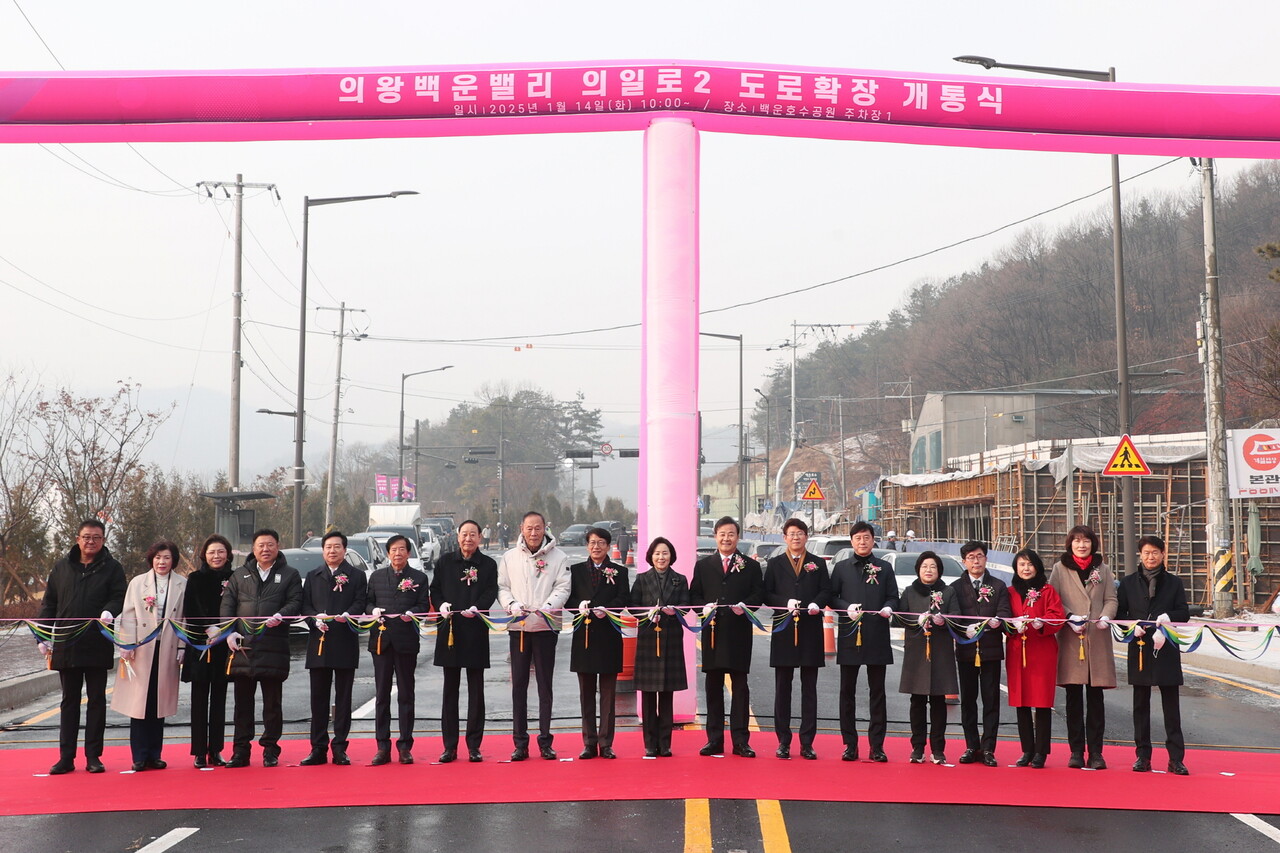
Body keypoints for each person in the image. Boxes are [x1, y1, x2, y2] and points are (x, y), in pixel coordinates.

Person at [37, 519, 127, 775]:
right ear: (78, 538)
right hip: (67, 643)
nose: (91, 542)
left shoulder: (112, 568)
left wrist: (110, 610)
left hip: (98, 642)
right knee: (69, 701)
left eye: (96, 537)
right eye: (86, 537)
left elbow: (120, 595)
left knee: (97, 700)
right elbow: (49, 604)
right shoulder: (61, 568)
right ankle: (66, 757)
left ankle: (93, 756)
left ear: (103, 540)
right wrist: (42, 636)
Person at [221, 528, 303, 768]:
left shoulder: (289, 574)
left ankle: (270, 749)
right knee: (242, 705)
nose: (265, 549)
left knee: (272, 704)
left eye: (270, 545)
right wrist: (229, 632)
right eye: (260, 545)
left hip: (273, 646)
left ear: (278, 546)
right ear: (253, 549)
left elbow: (296, 602)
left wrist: (281, 614)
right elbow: (227, 605)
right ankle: (240, 751)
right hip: (243, 647)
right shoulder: (239, 575)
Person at [498, 511, 571, 761]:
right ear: (521, 528)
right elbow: (502, 587)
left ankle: (545, 741)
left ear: (544, 528)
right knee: (519, 686)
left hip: (545, 627)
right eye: (529, 528)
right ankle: (520, 742)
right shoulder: (509, 557)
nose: (533, 533)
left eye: (537, 528)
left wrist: (549, 606)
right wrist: (511, 605)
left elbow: (563, 586)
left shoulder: (559, 557)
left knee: (544, 686)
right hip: (518, 628)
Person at [690, 516, 764, 758]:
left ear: (738, 536)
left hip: (739, 633)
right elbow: (693, 596)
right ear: (715, 536)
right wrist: (705, 607)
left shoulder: (750, 566)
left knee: (740, 688)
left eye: (731, 534)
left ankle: (741, 741)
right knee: (713, 687)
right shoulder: (703, 565)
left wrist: (747, 605)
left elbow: (758, 594)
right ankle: (714, 740)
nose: (726, 538)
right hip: (712, 634)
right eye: (722, 534)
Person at [1117, 535, 1190, 775]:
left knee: (1171, 705)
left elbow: (1184, 612)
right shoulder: (1127, 583)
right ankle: (1142, 756)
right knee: (1140, 704)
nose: (1151, 557)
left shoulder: (1174, 582)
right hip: (1139, 646)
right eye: (1147, 552)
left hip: (1166, 646)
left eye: (1155, 552)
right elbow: (1120, 613)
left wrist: (1169, 616)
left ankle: (1176, 758)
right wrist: (1131, 626)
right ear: (1140, 554)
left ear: (1162, 554)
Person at [112, 540, 188, 771]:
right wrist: (127, 643)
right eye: (157, 557)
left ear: (173, 560)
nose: (161, 562)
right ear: (151, 559)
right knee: (140, 703)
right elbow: (128, 614)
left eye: (166, 557)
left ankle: (155, 754)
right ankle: (139, 755)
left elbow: (184, 618)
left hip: (168, 648)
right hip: (142, 650)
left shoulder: (182, 584)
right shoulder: (137, 583)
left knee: (158, 702)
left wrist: (183, 647)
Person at [1048, 524, 1117, 770]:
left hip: (1096, 639)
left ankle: (1096, 752)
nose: (1082, 544)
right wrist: (1068, 617)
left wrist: (1106, 616)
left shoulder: (1103, 569)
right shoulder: (1060, 568)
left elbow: (1111, 598)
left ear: (1093, 544)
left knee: (1096, 700)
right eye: (1077, 540)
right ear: (1070, 544)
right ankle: (1076, 751)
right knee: (1073, 698)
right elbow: (1052, 599)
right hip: (1071, 638)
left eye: (1086, 540)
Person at [829, 520, 899, 762]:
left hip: (877, 635)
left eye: (866, 537)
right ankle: (850, 744)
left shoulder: (884, 568)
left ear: (873, 540)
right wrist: (845, 608)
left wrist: (889, 608)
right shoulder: (841, 567)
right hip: (850, 634)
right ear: (851, 541)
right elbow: (832, 597)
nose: (862, 541)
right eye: (858, 538)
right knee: (846, 691)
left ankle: (877, 746)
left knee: (877, 692)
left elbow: (893, 596)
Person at [430, 519, 498, 763]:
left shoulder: (488, 564)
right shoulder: (445, 562)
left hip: (476, 630)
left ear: (480, 537)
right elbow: (434, 589)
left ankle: (474, 745)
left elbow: (492, 591)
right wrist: (441, 605)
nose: (468, 539)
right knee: (450, 690)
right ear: (457, 537)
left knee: (476, 690)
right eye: (464, 534)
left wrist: (478, 607)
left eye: (473, 534)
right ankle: (450, 746)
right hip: (450, 631)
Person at [762, 518, 831, 760]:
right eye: (791, 534)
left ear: (806, 536)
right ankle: (783, 740)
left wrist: (817, 604)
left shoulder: (817, 563)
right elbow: (766, 594)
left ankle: (807, 742)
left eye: (800, 533)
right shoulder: (775, 563)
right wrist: (784, 603)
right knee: (783, 687)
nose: (795, 538)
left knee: (809, 689)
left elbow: (826, 590)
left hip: (811, 630)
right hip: (784, 628)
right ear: (784, 537)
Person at [299, 530, 368, 766]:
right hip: (318, 643)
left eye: (337, 547)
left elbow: (361, 601)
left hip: (344, 641)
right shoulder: (313, 575)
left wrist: (349, 615)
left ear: (344, 550)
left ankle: (340, 747)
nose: (332, 551)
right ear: (323, 550)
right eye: (328, 547)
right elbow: (305, 605)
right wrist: (313, 620)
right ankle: (317, 748)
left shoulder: (357, 575)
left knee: (343, 697)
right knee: (318, 698)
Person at [366, 534, 431, 765]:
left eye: (402, 549)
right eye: (393, 550)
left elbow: (424, 606)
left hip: (406, 643)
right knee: (381, 695)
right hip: (382, 642)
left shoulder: (419, 578)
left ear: (408, 553)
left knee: (406, 694)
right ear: (387, 553)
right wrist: (373, 610)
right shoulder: (376, 577)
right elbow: (367, 603)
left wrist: (414, 613)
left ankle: (405, 746)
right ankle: (382, 747)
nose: (398, 553)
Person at [569, 526, 631, 759]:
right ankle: (588, 742)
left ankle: (606, 743)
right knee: (586, 694)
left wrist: (610, 609)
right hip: (583, 638)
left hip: (608, 638)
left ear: (608, 545)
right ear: (587, 545)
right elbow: (568, 598)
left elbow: (625, 597)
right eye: (592, 542)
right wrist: (579, 605)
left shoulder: (619, 571)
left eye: (601, 543)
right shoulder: (575, 571)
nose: (596, 547)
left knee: (608, 694)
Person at [951, 540, 1012, 767]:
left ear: (986, 558)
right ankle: (971, 745)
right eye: (971, 557)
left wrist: (999, 620)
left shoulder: (998, 585)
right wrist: (961, 627)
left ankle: (988, 748)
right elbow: (953, 616)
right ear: (964, 561)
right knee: (968, 700)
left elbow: (1005, 610)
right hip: (966, 650)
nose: (976, 561)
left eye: (979, 556)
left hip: (991, 651)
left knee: (991, 700)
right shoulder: (955, 587)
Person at [630, 536, 690, 758]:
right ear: (650, 556)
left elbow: (686, 605)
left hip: (671, 638)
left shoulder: (680, 579)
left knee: (666, 694)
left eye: (665, 553)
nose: (661, 557)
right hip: (648, 637)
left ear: (671, 556)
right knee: (648, 694)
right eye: (657, 553)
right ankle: (649, 743)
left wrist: (674, 611)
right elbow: (633, 606)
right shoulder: (642, 579)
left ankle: (665, 743)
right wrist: (647, 614)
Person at [898, 551, 959, 764]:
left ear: (939, 570)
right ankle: (917, 748)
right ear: (918, 570)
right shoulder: (909, 592)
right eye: (925, 566)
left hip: (940, 651)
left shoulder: (948, 592)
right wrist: (916, 620)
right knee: (917, 702)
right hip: (917, 651)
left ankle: (938, 749)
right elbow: (899, 618)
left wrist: (944, 621)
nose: (929, 570)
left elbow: (956, 618)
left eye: (932, 566)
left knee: (938, 702)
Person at [1005, 548, 1064, 768]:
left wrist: (1042, 623)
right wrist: (1010, 626)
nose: (1026, 568)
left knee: (1041, 701)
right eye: (1021, 564)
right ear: (1015, 568)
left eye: (1029, 564)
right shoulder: (1010, 592)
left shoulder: (1047, 591)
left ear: (1037, 567)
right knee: (1021, 702)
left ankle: (1041, 751)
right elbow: (1003, 615)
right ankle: (1026, 750)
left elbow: (1057, 616)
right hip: (1017, 649)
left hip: (1042, 649)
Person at [182, 534, 235, 767]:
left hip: (224, 645)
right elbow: (190, 609)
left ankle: (216, 750)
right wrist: (207, 627)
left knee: (220, 700)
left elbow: (238, 608)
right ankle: (199, 752)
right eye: (212, 552)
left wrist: (224, 629)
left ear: (228, 554)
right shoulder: (194, 578)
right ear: (204, 554)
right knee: (199, 699)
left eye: (221, 552)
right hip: (200, 646)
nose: (217, 556)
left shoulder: (235, 578)